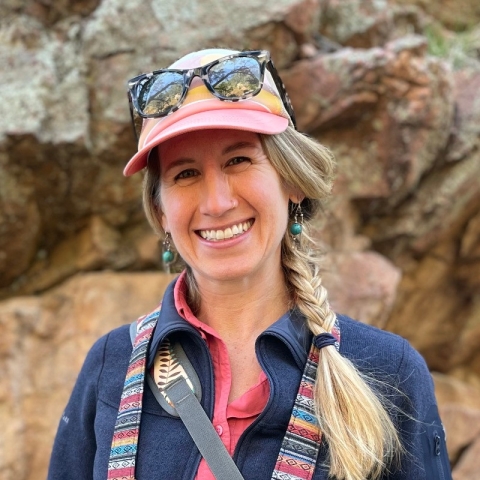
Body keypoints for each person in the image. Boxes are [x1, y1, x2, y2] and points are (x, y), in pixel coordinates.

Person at [48, 48, 452, 480]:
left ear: (292, 181)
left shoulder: (386, 370)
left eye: (238, 160)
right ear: (161, 211)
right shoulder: (111, 365)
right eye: (185, 174)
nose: (218, 203)